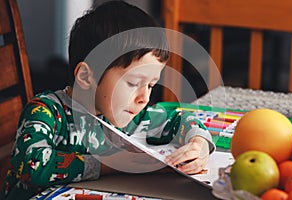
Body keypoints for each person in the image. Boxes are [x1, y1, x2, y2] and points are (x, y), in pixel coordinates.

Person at [0, 1, 215, 199]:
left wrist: (199, 143)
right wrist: (106, 165)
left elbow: (177, 118)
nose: (144, 98)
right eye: (133, 83)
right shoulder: (45, 112)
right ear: (86, 76)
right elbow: (31, 166)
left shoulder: (124, 115)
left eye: (150, 85)